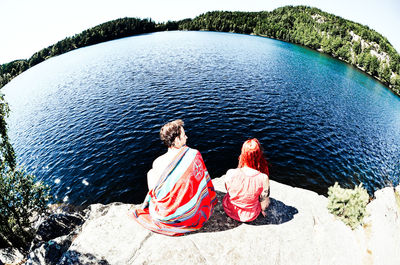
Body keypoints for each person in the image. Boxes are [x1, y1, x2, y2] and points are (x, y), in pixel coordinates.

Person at [132, 119, 217, 236]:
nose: (186, 137)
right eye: (184, 135)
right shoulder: (194, 154)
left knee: (150, 174)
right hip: (191, 213)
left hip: (165, 215)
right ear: (177, 140)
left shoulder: (158, 162)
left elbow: (154, 189)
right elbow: (201, 177)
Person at [222, 138, 270, 222]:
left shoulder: (230, 172)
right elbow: (264, 205)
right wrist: (262, 209)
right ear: (259, 154)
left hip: (230, 210)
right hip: (250, 215)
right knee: (267, 199)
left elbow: (228, 190)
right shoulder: (263, 178)